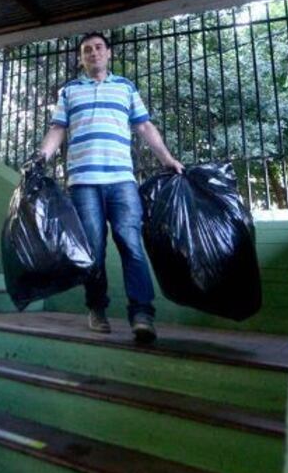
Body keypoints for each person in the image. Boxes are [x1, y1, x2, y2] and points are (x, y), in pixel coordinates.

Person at [34, 32, 183, 344]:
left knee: (131, 244)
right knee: (94, 251)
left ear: (109, 53)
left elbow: (144, 126)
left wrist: (167, 159)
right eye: (87, 50)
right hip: (83, 182)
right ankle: (97, 308)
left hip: (122, 181)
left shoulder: (125, 87)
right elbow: (57, 129)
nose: (93, 53)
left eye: (98, 48)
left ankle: (142, 315)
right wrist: (40, 158)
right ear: (81, 58)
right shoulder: (70, 90)